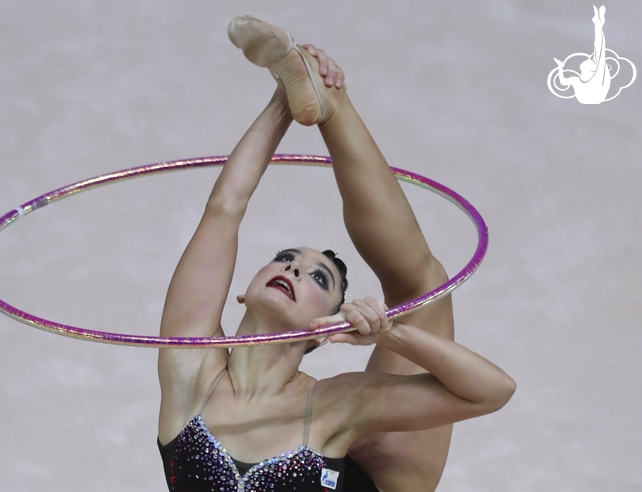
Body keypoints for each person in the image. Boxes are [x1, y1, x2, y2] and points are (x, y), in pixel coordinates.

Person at [157, 16, 515, 491]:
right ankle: (318, 99)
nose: (295, 268)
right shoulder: (190, 372)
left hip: (375, 473)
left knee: (422, 292)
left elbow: (495, 391)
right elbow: (225, 209)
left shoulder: (334, 402)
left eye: (317, 279)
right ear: (240, 294)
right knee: (423, 288)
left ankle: (333, 107)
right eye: (287, 257)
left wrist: (392, 335)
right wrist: (284, 98)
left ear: (324, 330)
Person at [554, 5, 610, 104]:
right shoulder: (577, 80)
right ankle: (598, 23)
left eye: (589, 61)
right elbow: (563, 82)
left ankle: (598, 23)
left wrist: (560, 68)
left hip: (594, 96)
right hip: (591, 97)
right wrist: (560, 67)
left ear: (591, 69)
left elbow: (599, 49)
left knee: (599, 51)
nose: (587, 59)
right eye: (590, 61)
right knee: (599, 52)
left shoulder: (594, 78)